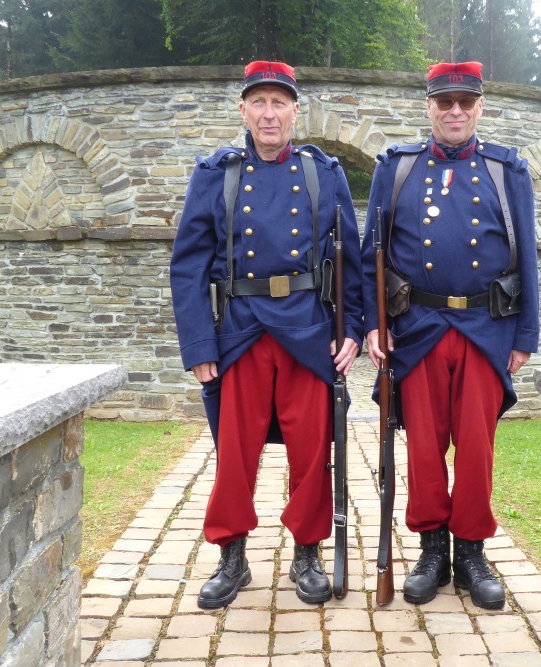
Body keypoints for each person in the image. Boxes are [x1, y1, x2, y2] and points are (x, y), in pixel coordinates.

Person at [170, 61, 363, 609]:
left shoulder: (324, 173)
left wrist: (350, 330)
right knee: (234, 452)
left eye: (280, 103)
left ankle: (307, 553)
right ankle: (231, 556)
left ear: (295, 110)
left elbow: (350, 259)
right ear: (244, 111)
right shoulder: (216, 173)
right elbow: (188, 266)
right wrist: (199, 345)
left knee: (310, 451)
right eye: (259, 103)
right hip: (239, 331)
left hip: (307, 329)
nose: (269, 113)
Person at [360, 61, 540, 610]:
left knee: (477, 448)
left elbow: (527, 254)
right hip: (418, 328)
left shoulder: (507, 170)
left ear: (480, 107)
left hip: (487, 327)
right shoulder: (397, 168)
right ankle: (432, 549)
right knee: (424, 447)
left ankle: (472, 552)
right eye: (445, 103)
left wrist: (524, 333)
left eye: (465, 102)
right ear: (430, 107)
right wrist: (374, 322)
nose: (455, 112)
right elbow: (372, 254)